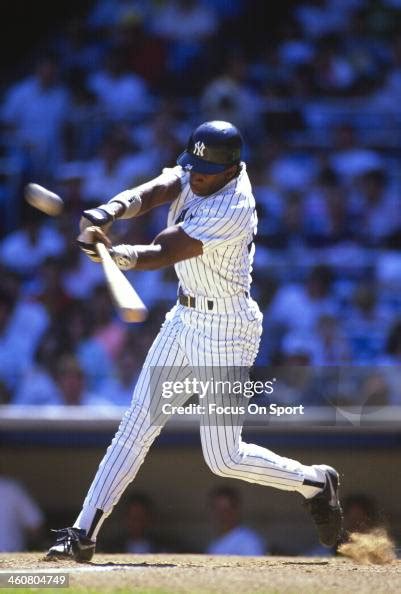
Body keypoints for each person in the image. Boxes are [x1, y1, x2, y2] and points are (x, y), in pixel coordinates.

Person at [46, 120, 342, 561]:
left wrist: (118, 254)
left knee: (223, 457)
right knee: (135, 427)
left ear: (230, 170)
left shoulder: (233, 205)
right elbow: (162, 186)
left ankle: (315, 481)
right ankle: (82, 531)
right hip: (185, 316)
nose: (196, 175)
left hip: (226, 327)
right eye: (195, 165)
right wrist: (112, 209)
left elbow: (166, 248)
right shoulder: (201, 168)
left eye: (205, 171)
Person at [206, 486, 266, 556]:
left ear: (236, 511)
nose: (221, 515)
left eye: (226, 510)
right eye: (217, 510)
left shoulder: (249, 542)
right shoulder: (215, 543)